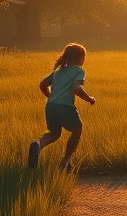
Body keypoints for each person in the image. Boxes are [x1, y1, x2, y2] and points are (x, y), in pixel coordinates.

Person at [28, 43, 96, 171]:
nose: (84, 60)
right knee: (77, 130)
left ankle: (38, 144)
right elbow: (77, 88)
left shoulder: (58, 71)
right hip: (65, 106)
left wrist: (51, 96)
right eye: (83, 57)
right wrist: (89, 99)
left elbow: (42, 84)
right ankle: (65, 162)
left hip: (51, 106)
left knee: (55, 133)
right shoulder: (78, 70)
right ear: (77, 58)